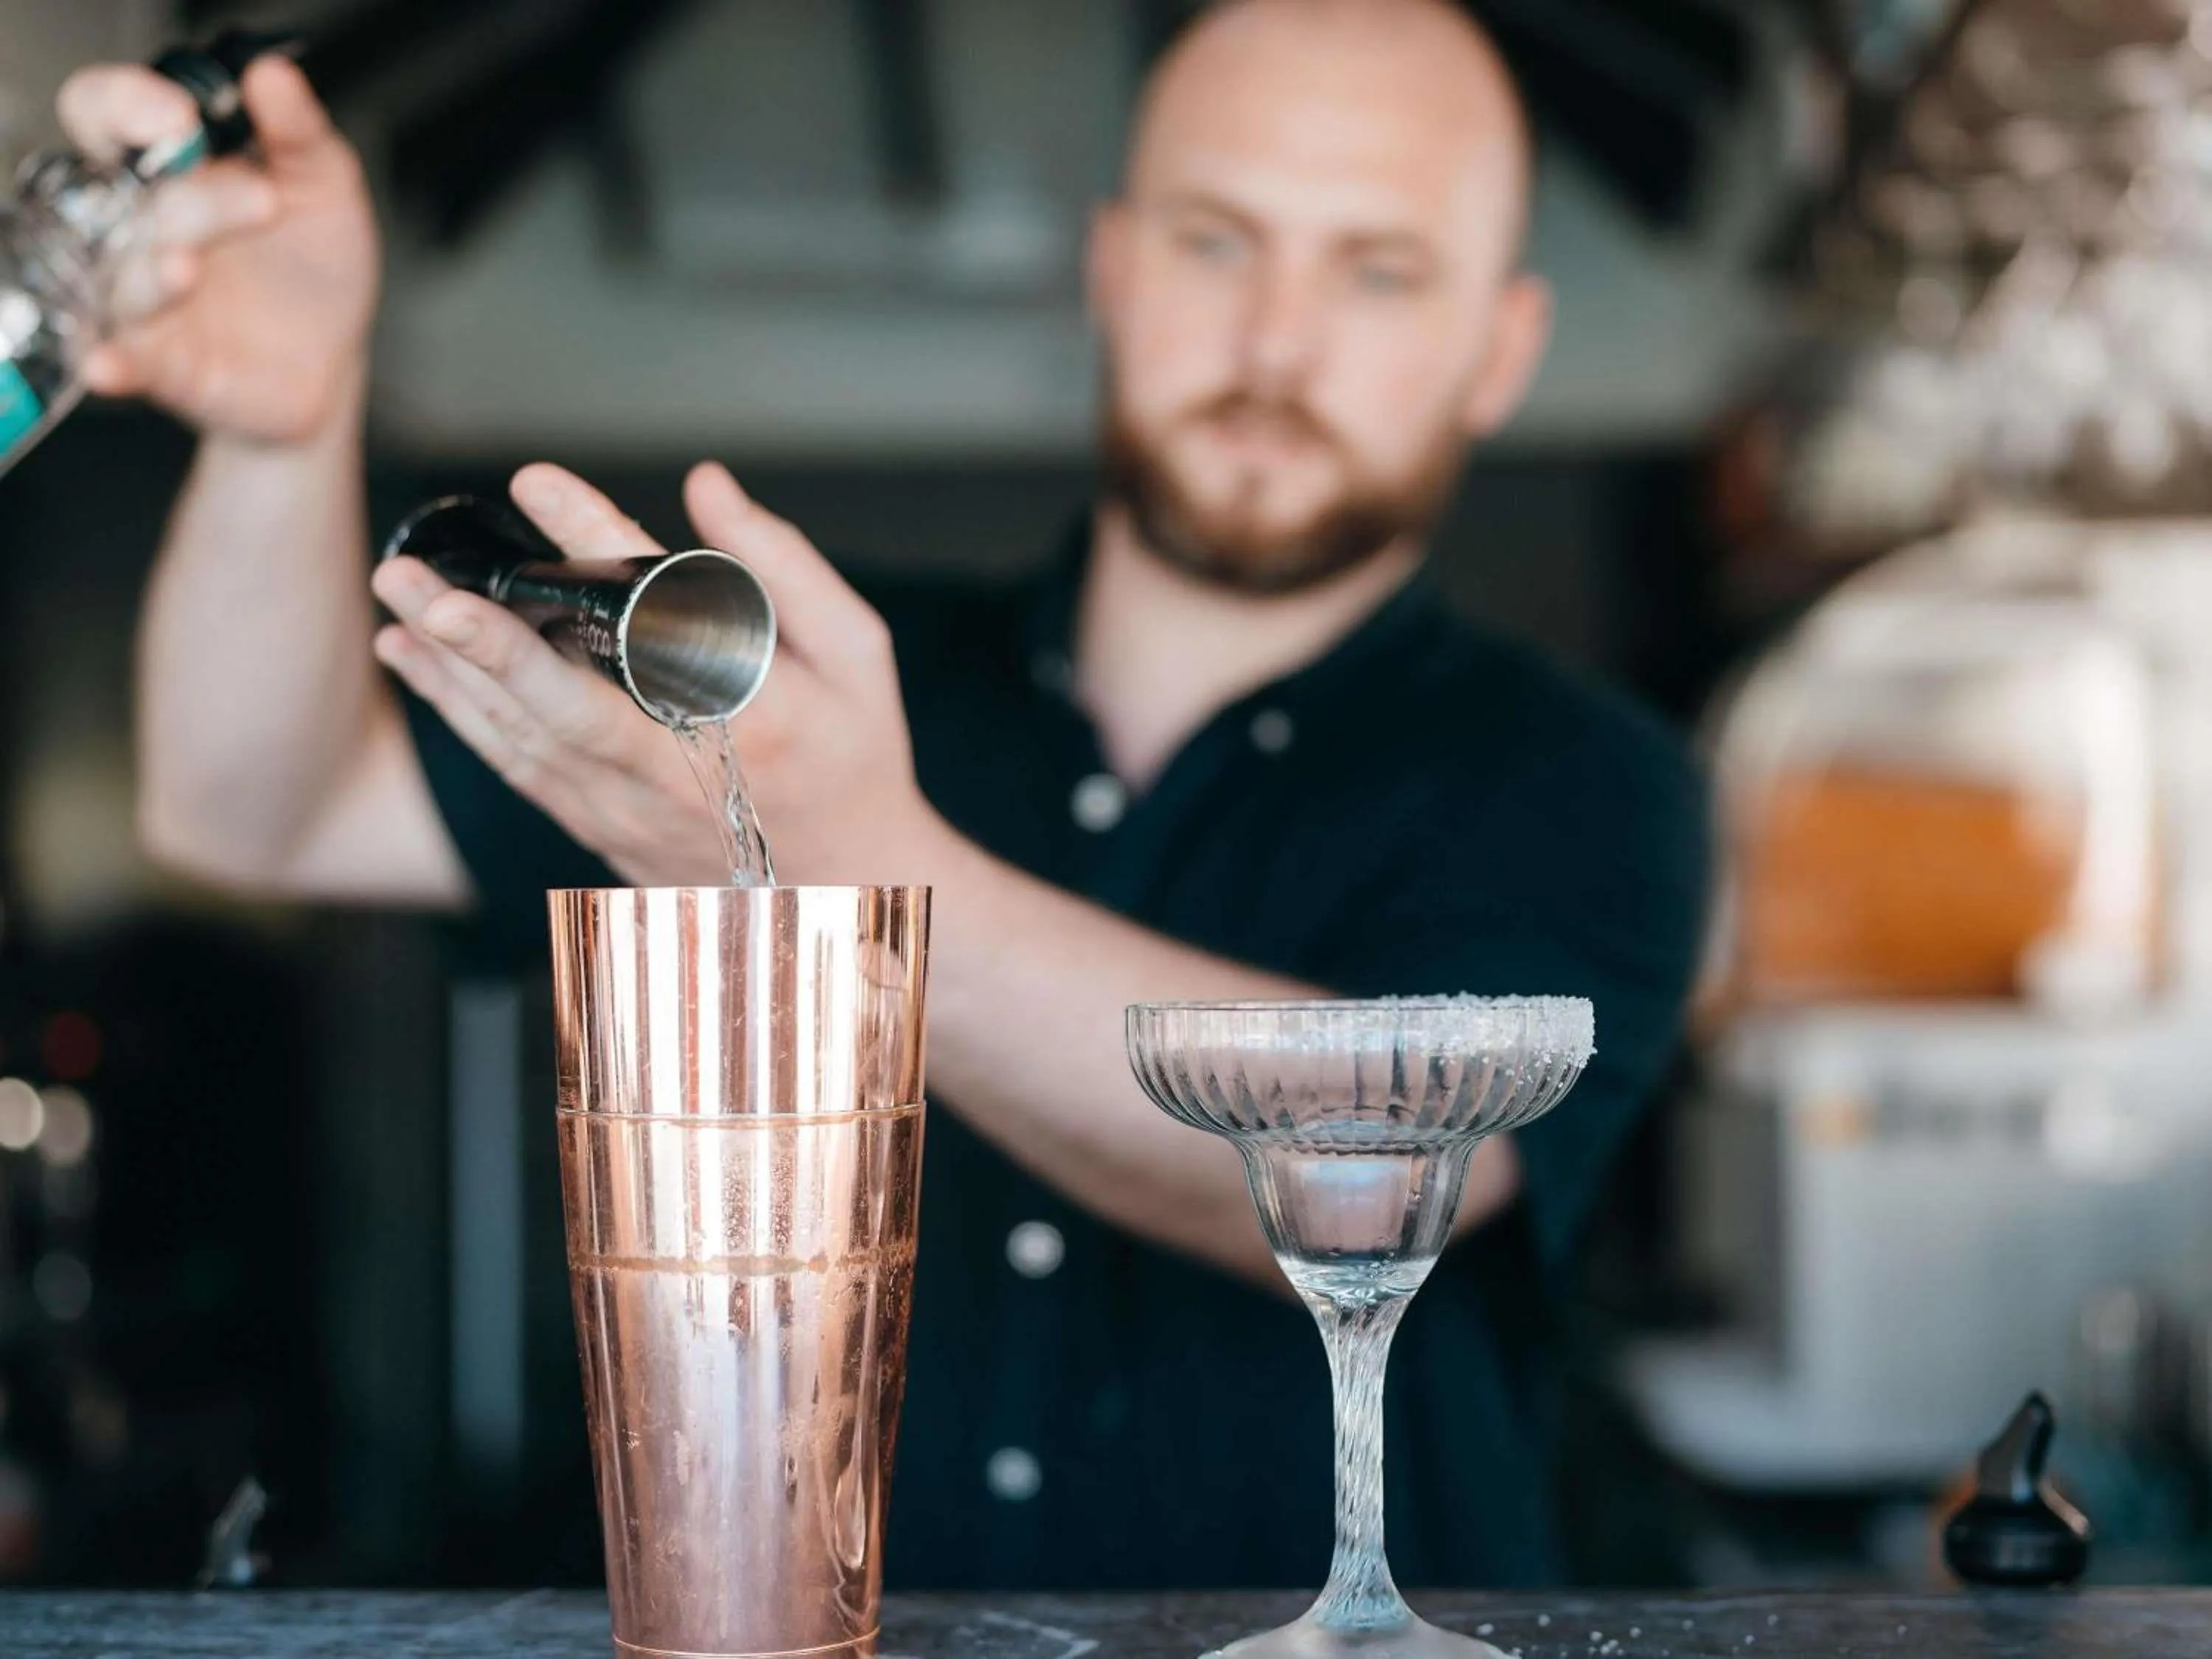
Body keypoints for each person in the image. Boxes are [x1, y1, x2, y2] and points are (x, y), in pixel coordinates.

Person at [84, 0, 1707, 1590]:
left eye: (1380, 268)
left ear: (1498, 351)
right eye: (1219, 241)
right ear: (1114, 270)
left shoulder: (1597, 788)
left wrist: (856, 874)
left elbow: (1369, 1186)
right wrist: (284, 433)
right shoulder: (804, 694)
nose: (1279, 341)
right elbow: (258, 810)